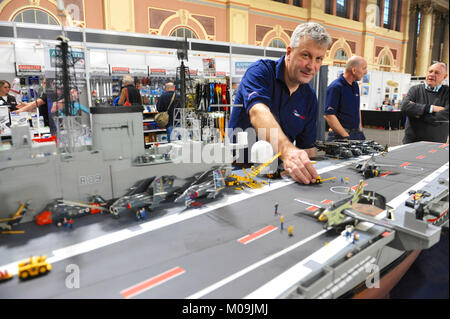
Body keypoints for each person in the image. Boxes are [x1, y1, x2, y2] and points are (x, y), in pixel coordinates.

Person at [228, 22, 332, 184]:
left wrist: (311, 172)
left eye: (318, 59)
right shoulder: (260, 72)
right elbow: (258, 112)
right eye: (306, 55)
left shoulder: (309, 96)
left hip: (278, 175)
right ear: (289, 52)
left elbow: (307, 148)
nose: (312, 66)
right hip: (240, 172)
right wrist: (288, 150)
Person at [401, 62, 449, 144]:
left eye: (437, 72)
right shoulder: (414, 90)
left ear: (444, 77)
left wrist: (416, 114)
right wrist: (432, 108)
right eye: (430, 71)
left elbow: (443, 117)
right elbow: (405, 107)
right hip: (411, 142)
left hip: (436, 144)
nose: (432, 74)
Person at [324, 56, 367, 141]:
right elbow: (329, 115)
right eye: (364, 68)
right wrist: (346, 136)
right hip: (340, 137)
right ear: (354, 70)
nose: (366, 72)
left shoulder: (355, 86)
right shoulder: (335, 87)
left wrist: (360, 129)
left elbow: (357, 108)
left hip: (356, 134)